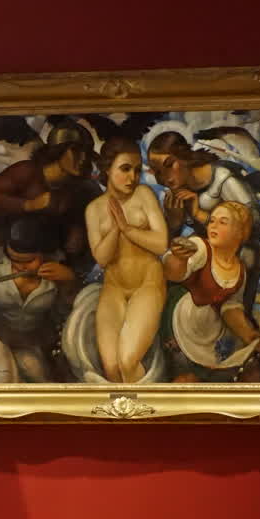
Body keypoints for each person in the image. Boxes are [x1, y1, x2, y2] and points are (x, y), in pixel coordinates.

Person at [85, 137, 168, 384]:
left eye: (137, 170)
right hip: (114, 289)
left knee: (128, 360)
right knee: (111, 367)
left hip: (147, 284)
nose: (133, 177)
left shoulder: (143, 195)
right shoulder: (94, 209)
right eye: (125, 169)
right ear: (107, 169)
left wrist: (128, 229)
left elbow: (161, 243)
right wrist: (115, 228)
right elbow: (101, 258)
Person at [0, 217, 77, 382]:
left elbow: (65, 316)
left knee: (39, 377)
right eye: (15, 260)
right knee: (2, 378)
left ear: (43, 254)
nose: (21, 267)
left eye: (29, 261)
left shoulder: (54, 279)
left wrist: (69, 283)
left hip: (27, 347)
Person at [0, 126, 99, 274]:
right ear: (58, 150)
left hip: (42, 258)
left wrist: (76, 230)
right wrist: (28, 205)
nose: (83, 158)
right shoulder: (27, 172)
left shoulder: (78, 188)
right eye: (76, 151)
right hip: (1, 253)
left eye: (87, 153)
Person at [162, 201, 260, 376]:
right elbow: (173, 273)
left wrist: (247, 333)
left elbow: (230, 307)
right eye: (212, 221)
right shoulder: (201, 247)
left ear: (240, 232)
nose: (213, 226)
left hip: (209, 327)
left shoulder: (240, 270)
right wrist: (179, 259)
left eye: (223, 222)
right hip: (181, 320)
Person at [146, 130, 260, 266]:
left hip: (239, 255)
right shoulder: (177, 192)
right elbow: (165, 246)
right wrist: (174, 223)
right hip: (206, 251)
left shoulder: (222, 178)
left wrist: (199, 214)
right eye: (158, 172)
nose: (164, 177)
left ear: (184, 157)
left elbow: (255, 226)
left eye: (169, 165)